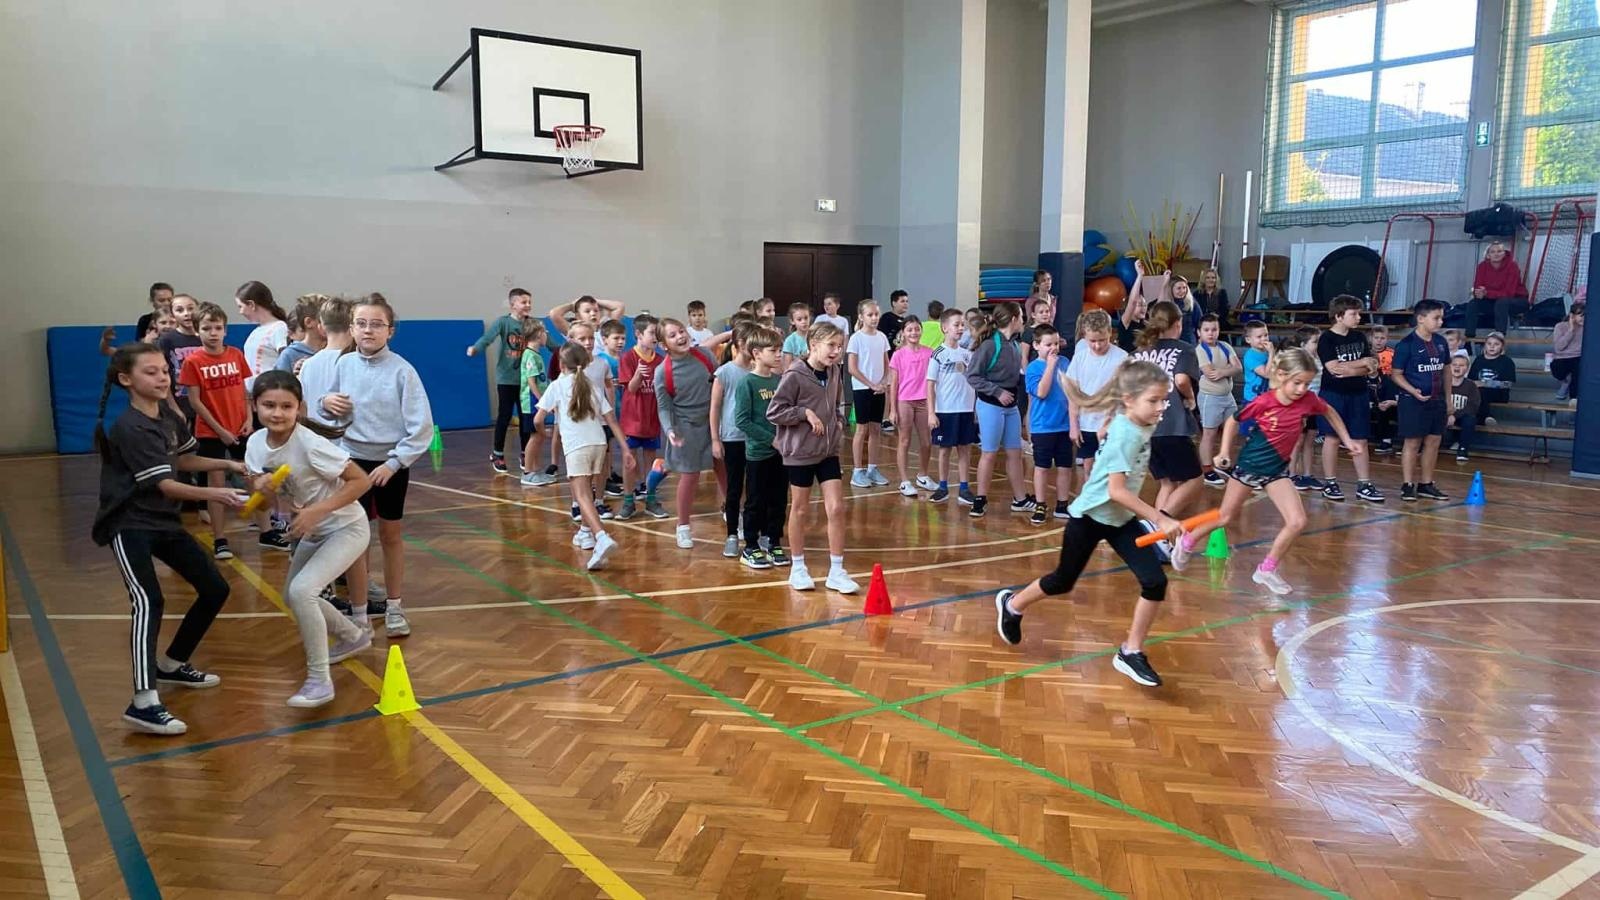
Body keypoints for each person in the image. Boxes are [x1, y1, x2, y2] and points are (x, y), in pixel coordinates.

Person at [992, 360, 1180, 688]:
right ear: (1130, 400)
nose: (1160, 407)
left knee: (1154, 582)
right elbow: (1116, 490)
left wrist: (1106, 425)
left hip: (1120, 520)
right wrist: (1160, 517)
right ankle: (1013, 604)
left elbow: (1112, 430)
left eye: (1164, 400)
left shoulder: (1135, 420)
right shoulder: (1127, 432)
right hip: (1090, 517)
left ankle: (1131, 651)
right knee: (1062, 581)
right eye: (1154, 400)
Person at [92, 343, 244, 735]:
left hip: (162, 523)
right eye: (151, 372)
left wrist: (229, 463)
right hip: (129, 524)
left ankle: (173, 664)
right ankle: (143, 702)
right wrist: (219, 493)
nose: (162, 378)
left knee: (214, 588)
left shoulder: (168, 417)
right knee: (148, 601)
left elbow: (185, 460)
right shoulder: (130, 427)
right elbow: (167, 484)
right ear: (127, 380)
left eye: (164, 371)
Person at [1183, 348, 1358, 595]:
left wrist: (1347, 440)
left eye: (1307, 384)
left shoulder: (1308, 400)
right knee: (1225, 516)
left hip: (1277, 470)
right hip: (1250, 467)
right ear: (1282, 375)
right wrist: (1223, 452)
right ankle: (1187, 541)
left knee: (1297, 521)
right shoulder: (1265, 401)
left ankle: (1266, 569)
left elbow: (1329, 411)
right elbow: (1234, 419)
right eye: (1297, 383)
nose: (1302, 389)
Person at [245, 371, 373, 707]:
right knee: (292, 595)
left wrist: (318, 511)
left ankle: (319, 681)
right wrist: (259, 486)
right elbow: (268, 490)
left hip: (347, 528)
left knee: (303, 591)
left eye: (286, 406)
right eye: (269, 405)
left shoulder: (311, 443)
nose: (277, 413)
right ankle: (351, 635)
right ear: (254, 406)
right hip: (313, 532)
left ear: (299, 408)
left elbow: (360, 482)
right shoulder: (256, 443)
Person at [319, 293, 435, 636]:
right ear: (352, 328)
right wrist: (326, 401)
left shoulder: (403, 371)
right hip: (352, 461)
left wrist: (395, 462)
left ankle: (395, 607)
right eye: (361, 323)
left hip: (389, 466)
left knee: (389, 534)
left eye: (376, 324)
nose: (368, 330)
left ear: (390, 331)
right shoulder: (343, 364)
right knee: (356, 537)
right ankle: (359, 612)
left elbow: (422, 427)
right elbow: (330, 411)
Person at [180, 302, 278, 558]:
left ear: (225, 330)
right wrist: (220, 429)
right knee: (217, 485)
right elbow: (195, 401)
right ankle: (220, 538)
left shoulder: (235, 355)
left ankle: (267, 531)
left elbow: (245, 392)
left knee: (253, 478)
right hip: (211, 432)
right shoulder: (193, 361)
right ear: (197, 330)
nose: (213, 333)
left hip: (240, 428)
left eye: (218, 328)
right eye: (207, 328)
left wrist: (248, 419)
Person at [767, 321, 857, 593]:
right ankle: (797, 567)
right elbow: (774, 411)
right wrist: (804, 413)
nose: (836, 351)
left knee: (837, 508)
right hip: (801, 452)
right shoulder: (794, 374)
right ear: (813, 345)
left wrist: (838, 421)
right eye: (831, 345)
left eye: (840, 346)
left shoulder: (834, 372)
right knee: (801, 509)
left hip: (827, 451)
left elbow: (836, 403)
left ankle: (837, 571)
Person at [541, 342, 633, 569]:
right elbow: (611, 419)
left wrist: (544, 431)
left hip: (577, 446)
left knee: (581, 494)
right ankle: (585, 532)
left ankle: (601, 536)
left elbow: (537, 418)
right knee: (588, 492)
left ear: (561, 365)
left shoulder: (557, 385)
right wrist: (626, 449)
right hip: (599, 443)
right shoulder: (591, 386)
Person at [1128, 300, 1202, 528]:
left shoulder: (1138, 354)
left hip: (1145, 428)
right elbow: (1181, 379)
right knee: (1195, 480)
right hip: (1172, 424)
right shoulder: (1185, 349)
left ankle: (1159, 536)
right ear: (1178, 323)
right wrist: (1190, 397)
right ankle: (1158, 522)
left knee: (1168, 484)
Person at [655, 318, 722, 549]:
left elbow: (719, 382)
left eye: (681, 331)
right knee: (690, 475)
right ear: (664, 344)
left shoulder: (705, 356)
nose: (680, 337)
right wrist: (670, 430)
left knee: (724, 468)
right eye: (672, 335)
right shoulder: (662, 372)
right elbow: (664, 407)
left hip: (713, 422)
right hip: (685, 426)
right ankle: (683, 526)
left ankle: (733, 513)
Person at [1315, 295, 1384, 503]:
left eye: (1358, 313)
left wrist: (1356, 368)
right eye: (1353, 314)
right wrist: (1361, 364)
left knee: (1360, 438)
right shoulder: (1327, 339)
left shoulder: (1359, 337)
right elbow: (1333, 368)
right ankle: (1330, 482)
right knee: (1332, 438)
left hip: (1358, 393)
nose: (1358, 317)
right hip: (1333, 393)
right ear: (1338, 316)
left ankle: (1364, 483)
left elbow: (1372, 363)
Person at [967, 302, 1032, 518]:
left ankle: (1020, 499)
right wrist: (997, 392)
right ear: (1013, 319)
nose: (1023, 320)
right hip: (991, 405)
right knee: (989, 454)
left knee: (1015, 453)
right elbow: (972, 376)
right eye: (1021, 316)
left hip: (1010, 407)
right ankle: (980, 499)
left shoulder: (1013, 344)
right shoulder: (989, 345)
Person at [734, 325, 790, 568]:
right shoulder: (747, 383)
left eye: (780, 350)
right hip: (759, 453)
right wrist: (771, 439)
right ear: (756, 353)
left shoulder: (780, 381)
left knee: (778, 498)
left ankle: (773, 540)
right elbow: (742, 420)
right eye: (773, 350)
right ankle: (751, 546)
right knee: (756, 500)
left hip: (782, 453)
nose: (778, 355)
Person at [1391, 299, 1452, 502]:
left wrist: (1449, 399)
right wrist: (1413, 391)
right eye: (1436, 318)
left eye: (1441, 317)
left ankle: (1426, 483)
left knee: (1434, 441)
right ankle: (1408, 484)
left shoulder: (1441, 342)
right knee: (1412, 442)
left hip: (1437, 400)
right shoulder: (1406, 345)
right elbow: (1396, 374)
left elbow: (1446, 370)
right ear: (1421, 319)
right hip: (1412, 401)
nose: (1440, 322)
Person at [467, 288, 530, 475]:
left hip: (526, 379)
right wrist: (476, 348)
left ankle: (526, 453)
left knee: (526, 417)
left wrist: (561, 351)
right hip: (506, 378)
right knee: (504, 416)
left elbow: (546, 340)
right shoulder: (503, 323)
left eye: (529, 302)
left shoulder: (532, 324)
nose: (528, 305)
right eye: (524, 302)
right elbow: (488, 338)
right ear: (513, 305)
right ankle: (497, 453)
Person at [1064, 309, 1128, 481]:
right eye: (1092, 341)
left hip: (1114, 424)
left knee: (1112, 472)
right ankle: (1090, 505)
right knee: (1089, 469)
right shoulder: (1080, 358)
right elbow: (1073, 393)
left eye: (1102, 340)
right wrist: (1073, 424)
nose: (1098, 345)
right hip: (1087, 424)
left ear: (1110, 333)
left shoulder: (1122, 358)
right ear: (1084, 336)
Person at [710, 323, 754, 557]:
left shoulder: (759, 370)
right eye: (748, 342)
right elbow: (715, 406)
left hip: (755, 438)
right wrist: (715, 439)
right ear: (737, 345)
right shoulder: (725, 372)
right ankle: (732, 535)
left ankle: (753, 531)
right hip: (732, 437)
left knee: (755, 487)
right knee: (734, 488)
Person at [925, 308, 977, 505]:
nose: (960, 328)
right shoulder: (938, 354)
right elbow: (930, 384)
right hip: (945, 410)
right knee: (945, 449)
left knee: (964, 449)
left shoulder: (967, 354)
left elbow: (972, 381)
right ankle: (943, 487)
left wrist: (974, 409)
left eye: (962, 325)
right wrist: (931, 412)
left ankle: (964, 488)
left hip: (965, 409)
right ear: (944, 328)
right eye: (956, 325)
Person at [618, 315, 667, 519]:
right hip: (632, 420)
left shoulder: (661, 360)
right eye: (651, 333)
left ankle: (651, 499)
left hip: (652, 419)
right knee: (630, 462)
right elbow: (630, 387)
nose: (655, 337)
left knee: (651, 463)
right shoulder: (628, 358)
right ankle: (628, 501)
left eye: (657, 333)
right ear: (638, 334)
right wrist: (638, 374)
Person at [1024, 324, 1073, 524]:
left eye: (1055, 343)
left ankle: (1062, 504)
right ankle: (1041, 504)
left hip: (1064, 425)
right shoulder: (1034, 367)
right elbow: (1042, 392)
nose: (1053, 348)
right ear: (1036, 345)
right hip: (1043, 426)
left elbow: (1071, 391)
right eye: (1047, 344)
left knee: (1065, 467)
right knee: (1042, 467)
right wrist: (1051, 366)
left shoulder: (1065, 362)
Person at [886, 316, 935, 497]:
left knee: (926, 441)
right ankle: (904, 481)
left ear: (921, 330)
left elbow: (933, 381)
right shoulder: (898, 355)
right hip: (904, 401)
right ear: (903, 333)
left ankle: (923, 475)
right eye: (910, 329)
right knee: (904, 440)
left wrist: (933, 407)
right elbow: (894, 383)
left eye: (916, 329)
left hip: (924, 401)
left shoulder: (929, 353)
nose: (914, 332)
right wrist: (892, 409)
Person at [846, 299, 891, 488]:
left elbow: (887, 363)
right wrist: (871, 384)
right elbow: (852, 368)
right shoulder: (856, 338)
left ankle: (872, 468)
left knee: (875, 429)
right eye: (870, 315)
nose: (874, 318)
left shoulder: (881, 337)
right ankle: (857, 471)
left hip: (878, 389)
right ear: (861, 317)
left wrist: (883, 382)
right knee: (862, 429)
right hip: (863, 389)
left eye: (876, 314)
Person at [1194, 314, 1241, 489]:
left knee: (1232, 429)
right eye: (1206, 330)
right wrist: (1227, 370)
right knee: (1209, 433)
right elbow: (1210, 374)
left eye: (1214, 329)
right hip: (1210, 397)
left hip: (1227, 396)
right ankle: (1207, 469)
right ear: (1199, 332)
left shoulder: (1226, 346)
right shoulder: (1200, 350)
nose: (1211, 333)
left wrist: (1222, 372)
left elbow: (1238, 367)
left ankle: (1224, 462)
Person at [517, 318, 554, 486]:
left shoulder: (535, 354)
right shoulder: (530, 355)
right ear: (539, 334)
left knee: (538, 436)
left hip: (537, 401)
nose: (546, 335)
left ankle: (536, 470)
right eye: (544, 332)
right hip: (531, 403)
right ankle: (528, 472)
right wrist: (542, 401)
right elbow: (531, 382)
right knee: (534, 436)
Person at [235, 281, 291, 393]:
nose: (240, 312)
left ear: (251, 305)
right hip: (252, 395)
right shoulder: (256, 331)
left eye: (241, 306)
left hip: (269, 392)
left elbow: (287, 360)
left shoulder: (279, 328)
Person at [1469, 241, 1527, 338]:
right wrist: (1478, 293)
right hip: (1493, 300)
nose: (1496, 254)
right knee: (1473, 304)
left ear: (1504, 253)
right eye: (1493, 252)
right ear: (1488, 255)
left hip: (1517, 300)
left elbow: (1509, 293)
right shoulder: (1482, 266)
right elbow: (1478, 287)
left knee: (1502, 303)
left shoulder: (1512, 266)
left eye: (1499, 251)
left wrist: (1487, 293)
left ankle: (1499, 338)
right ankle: (1469, 339)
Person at [275, 295, 328, 375]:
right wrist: (294, 378)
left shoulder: (335, 351)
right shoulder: (289, 355)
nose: (332, 325)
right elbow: (279, 384)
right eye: (326, 320)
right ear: (308, 322)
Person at [1445, 355, 1481, 462]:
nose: (1457, 367)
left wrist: (1454, 416)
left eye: (1461, 365)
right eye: (1454, 365)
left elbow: (1472, 406)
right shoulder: (1442, 383)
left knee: (1470, 419)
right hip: (1443, 414)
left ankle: (1463, 449)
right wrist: (1447, 414)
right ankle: (1421, 446)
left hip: (1461, 416)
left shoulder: (1471, 386)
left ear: (1467, 369)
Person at [549, 294, 627, 339]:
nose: (593, 314)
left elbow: (619, 306)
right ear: (578, 315)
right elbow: (554, 314)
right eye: (587, 311)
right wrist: (572, 305)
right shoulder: (573, 330)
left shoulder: (606, 329)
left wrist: (596, 300)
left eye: (596, 310)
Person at [1553, 301, 1584, 403]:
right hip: (1562, 358)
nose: (1584, 318)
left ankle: (1573, 399)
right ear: (1572, 315)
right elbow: (1558, 348)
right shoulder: (1560, 326)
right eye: (1581, 315)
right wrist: (1571, 330)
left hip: (1578, 357)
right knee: (1557, 368)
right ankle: (1566, 382)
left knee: (1578, 368)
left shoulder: (1587, 328)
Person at [1240, 321, 1272, 404]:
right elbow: (1267, 373)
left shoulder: (1267, 351)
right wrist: (1272, 353)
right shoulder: (1250, 356)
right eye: (1259, 337)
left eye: (1266, 335)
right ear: (1248, 339)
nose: (1264, 339)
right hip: (1252, 399)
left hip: (1266, 397)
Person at [782, 302, 812, 369]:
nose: (803, 321)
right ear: (792, 321)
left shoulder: (816, 336)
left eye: (806, 318)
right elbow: (787, 367)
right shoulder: (790, 341)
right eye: (799, 319)